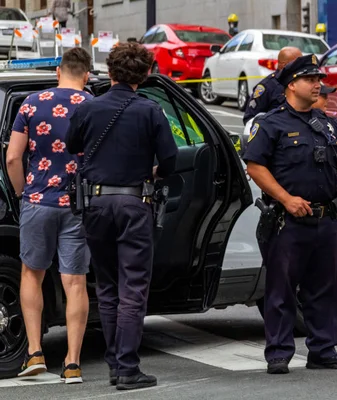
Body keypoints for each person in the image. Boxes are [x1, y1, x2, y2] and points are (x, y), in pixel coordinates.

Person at [243, 54, 337, 375]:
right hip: (288, 222)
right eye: (311, 80)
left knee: (327, 288)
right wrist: (286, 199)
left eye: (318, 80)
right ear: (291, 84)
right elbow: (255, 167)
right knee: (281, 289)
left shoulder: (328, 124)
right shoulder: (270, 123)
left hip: (327, 219)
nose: (318, 86)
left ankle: (323, 349)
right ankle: (279, 353)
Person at [65, 42, 178, 390]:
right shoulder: (150, 111)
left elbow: (72, 145)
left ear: (110, 73)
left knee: (109, 286)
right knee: (133, 287)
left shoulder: (89, 108)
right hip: (134, 203)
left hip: (96, 204)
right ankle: (128, 368)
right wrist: (153, 172)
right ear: (145, 74)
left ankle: (116, 362)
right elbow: (171, 160)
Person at [7, 47, 93, 384]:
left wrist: (21, 192)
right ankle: (72, 363)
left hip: (37, 201)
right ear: (86, 75)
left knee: (32, 274)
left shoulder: (31, 103)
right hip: (77, 203)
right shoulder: (93, 106)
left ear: (59, 71)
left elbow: (14, 158)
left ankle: (34, 352)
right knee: (75, 281)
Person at [242, 46, 303, 124]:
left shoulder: (303, 83)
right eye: (298, 63)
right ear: (284, 65)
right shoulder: (267, 86)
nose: (302, 66)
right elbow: (250, 119)